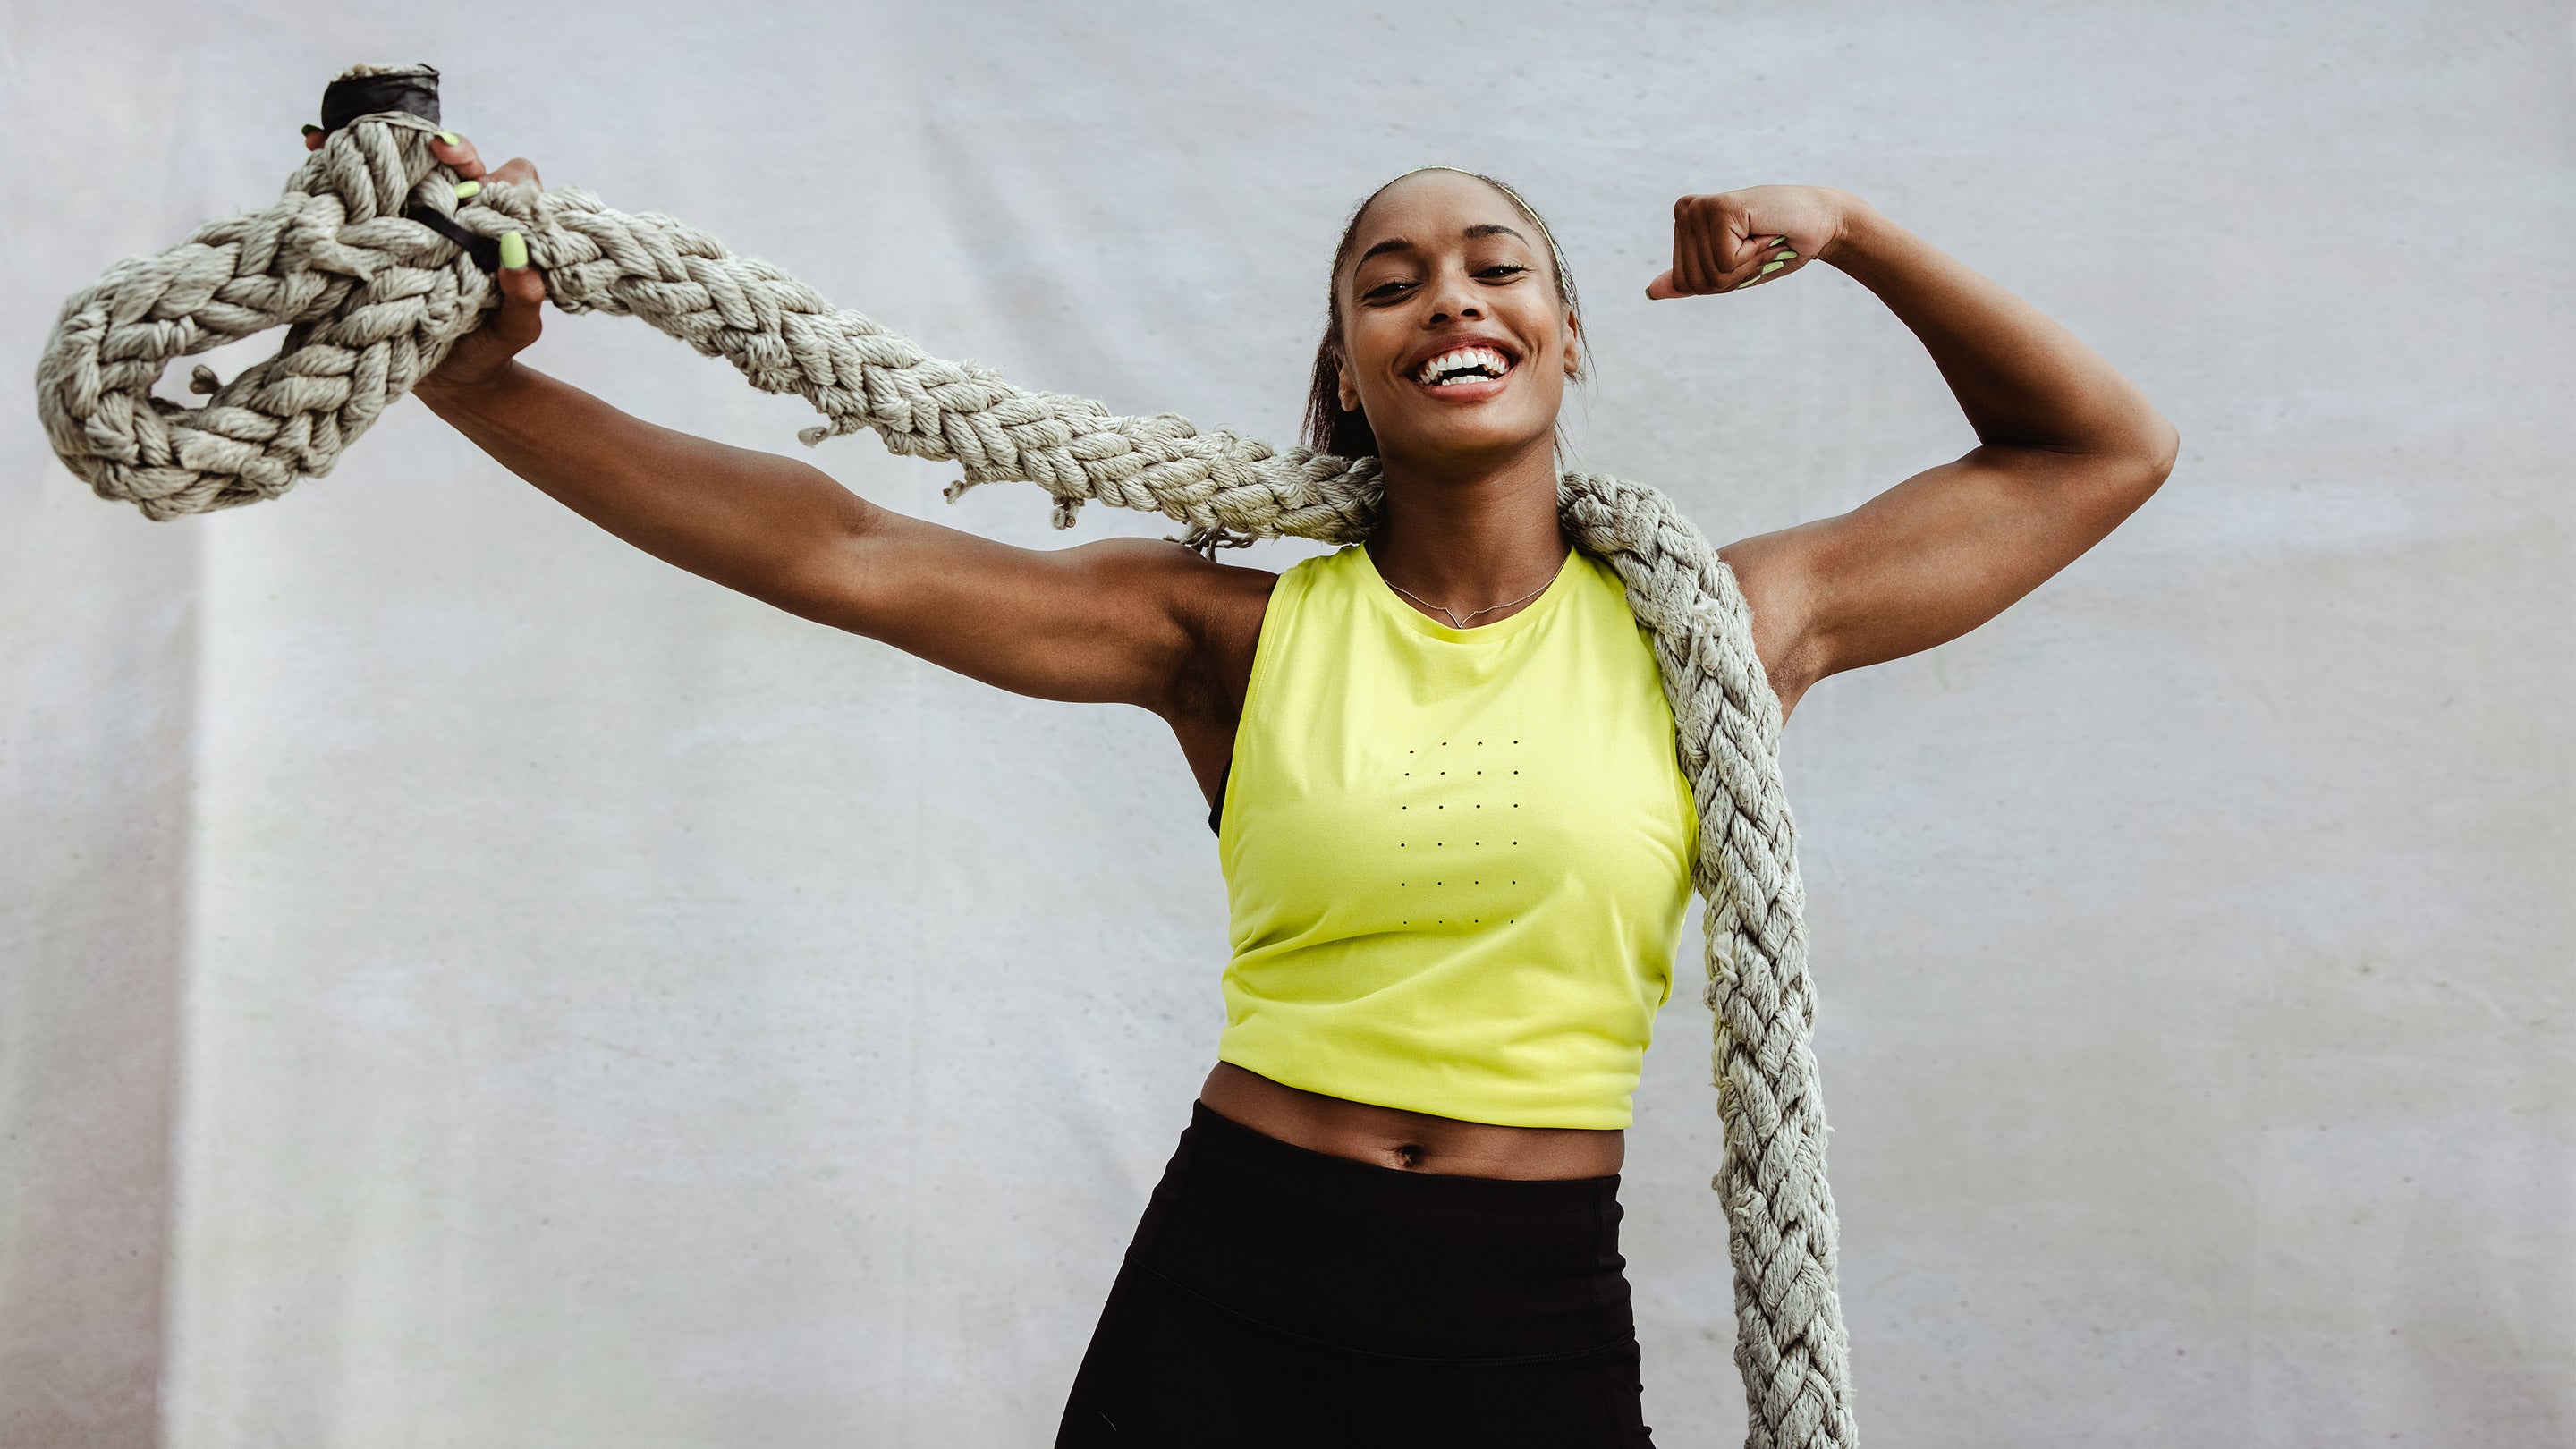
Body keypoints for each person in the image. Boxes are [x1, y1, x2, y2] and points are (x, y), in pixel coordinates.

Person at [356, 116, 2177, 1445]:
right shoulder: (1222, 633)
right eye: (1391, 284)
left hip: (1523, 1312)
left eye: (1494, 265)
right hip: (1235, 1288)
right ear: (1351, 374)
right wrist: (485, 391)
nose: (1447, 297)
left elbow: (2100, 451)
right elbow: (839, 545)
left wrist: (1848, 224)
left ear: (1562, 335)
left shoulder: (1730, 627)